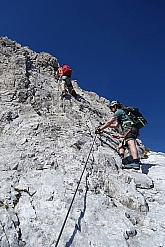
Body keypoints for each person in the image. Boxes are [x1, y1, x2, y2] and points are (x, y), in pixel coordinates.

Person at [96, 100, 140, 170]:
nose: (111, 109)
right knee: (121, 146)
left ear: (115, 106)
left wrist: (100, 128)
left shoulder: (119, 112)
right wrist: (105, 126)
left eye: (112, 107)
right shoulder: (122, 115)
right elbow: (116, 125)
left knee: (131, 143)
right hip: (129, 130)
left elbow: (110, 122)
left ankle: (136, 162)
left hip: (129, 129)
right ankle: (122, 159)